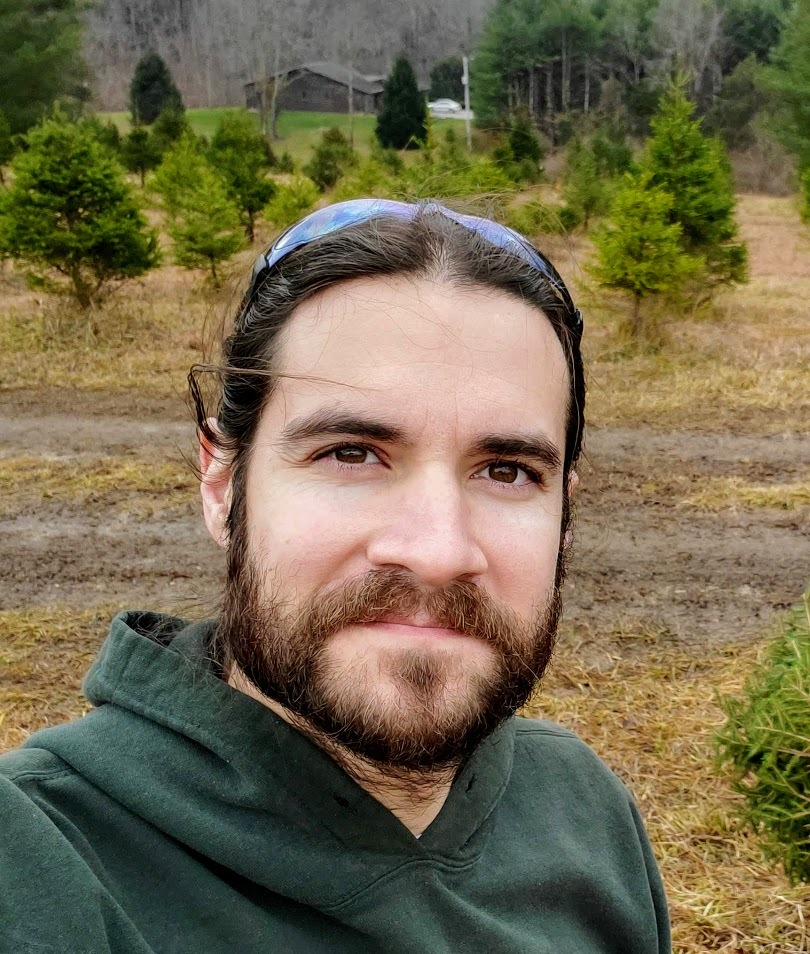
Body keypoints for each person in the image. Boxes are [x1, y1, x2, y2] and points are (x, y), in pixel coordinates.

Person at [0, 199, 670, 953]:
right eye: (351, 453)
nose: (438, 550)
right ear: (224, 484)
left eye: (508, 471)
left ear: (565, 518)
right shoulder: (41, 861)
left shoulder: (582, 808)